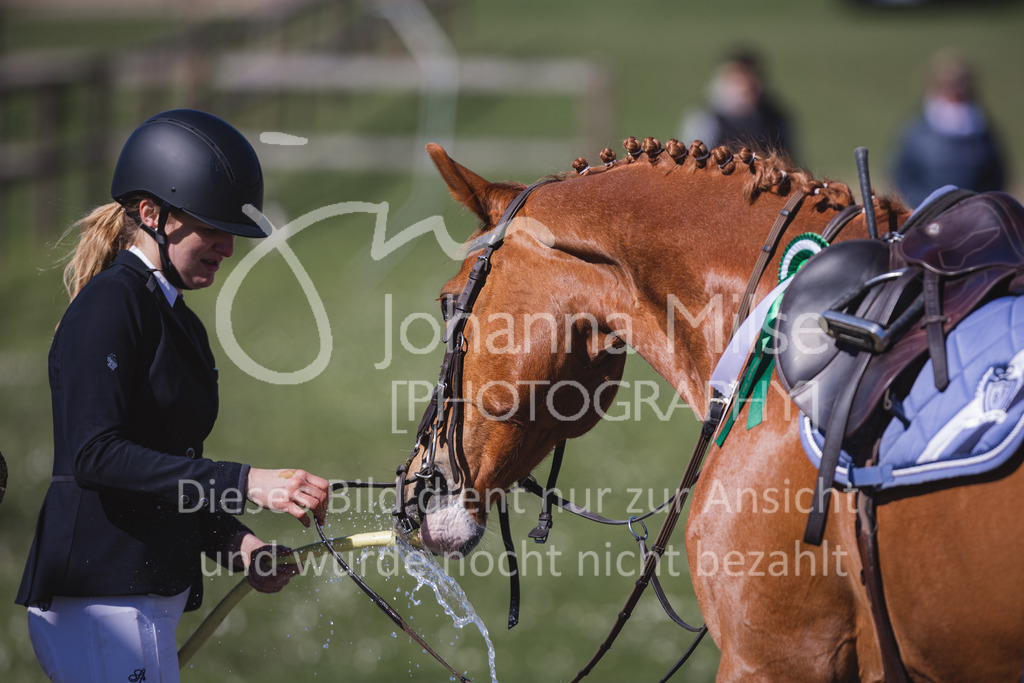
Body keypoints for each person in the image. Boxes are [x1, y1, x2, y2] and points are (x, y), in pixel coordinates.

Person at [16, 109, 332, 682]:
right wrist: (246, 482)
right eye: (212, 229)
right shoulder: (112, 303)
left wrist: (237, 543)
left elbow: (165, 471)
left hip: (139, 597)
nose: (226, 249)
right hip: (98, 602)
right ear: (151, 214)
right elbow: (96, 454)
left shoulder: (177, 321)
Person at [891, 50, 1007, 208]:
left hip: (974, 213)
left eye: (959, 83)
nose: (954, 89)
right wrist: (923, 205)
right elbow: (903, 174)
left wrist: (981, 203)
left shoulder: (981, 127)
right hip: (929, 214)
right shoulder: (917, 129)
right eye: (947, 83)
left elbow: (997, 174)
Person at [679, 49, 797, 160]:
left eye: (750, 80)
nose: (745, 86)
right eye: (738, 81)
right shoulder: (705, 120)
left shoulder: (775, 120)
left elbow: (791, 164)